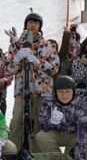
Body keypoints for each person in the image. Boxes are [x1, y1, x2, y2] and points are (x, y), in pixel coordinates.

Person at [6, 13, 60, 151]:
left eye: (36, 23)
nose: (33, 25)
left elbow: (54, 69)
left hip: (41, 92)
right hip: (21, 92)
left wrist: (37, 61)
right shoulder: (17, 45)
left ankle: (37, 158)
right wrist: (18, 58)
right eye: (30, 22)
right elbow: (9, 68)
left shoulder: (47, 45)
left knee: (38, 125)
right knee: (16, 123)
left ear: (40, 26)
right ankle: (13, 155)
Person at [35, 76, 87, 160]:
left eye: (67, 91)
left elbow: (83, 132)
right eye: (61, 92)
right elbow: (43, 125)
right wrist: (52, 122)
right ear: (55, 92)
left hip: (74, 135)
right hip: (56, 133)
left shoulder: (80, 104)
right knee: (41, 136)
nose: (64, 95)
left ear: (73, 91)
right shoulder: (49, 101)